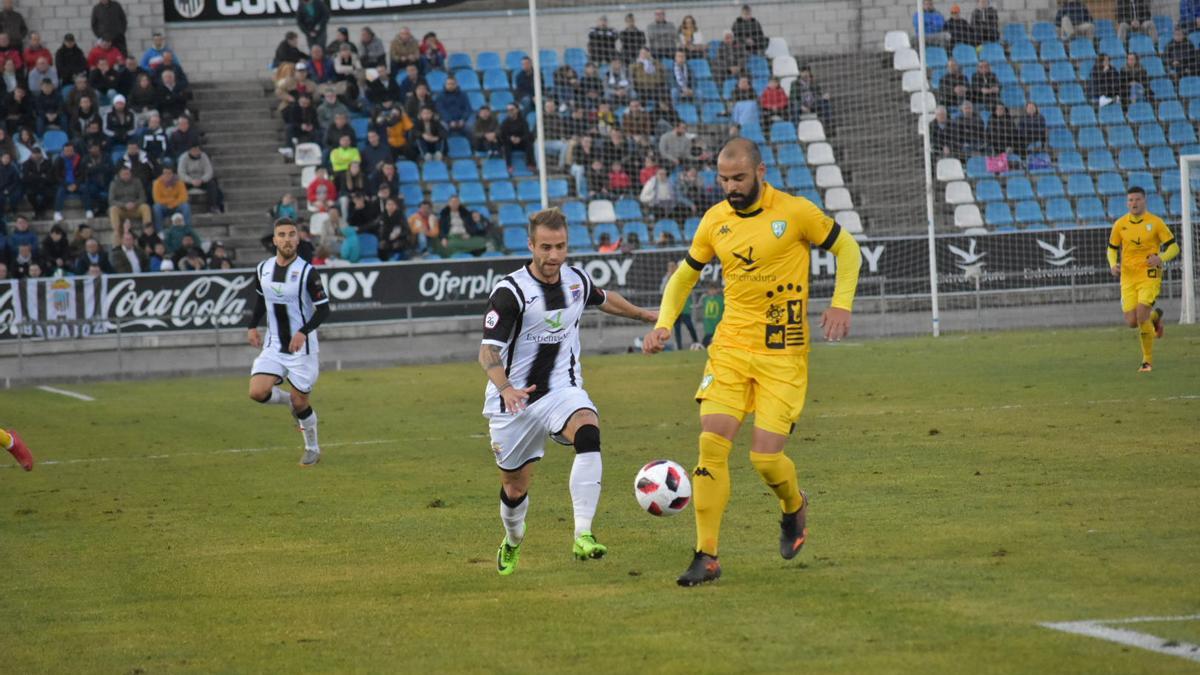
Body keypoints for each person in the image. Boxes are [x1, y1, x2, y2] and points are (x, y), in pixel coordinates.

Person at [642, 137, 862, 586]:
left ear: (760, 172)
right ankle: (707, 556)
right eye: (723, 179)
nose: (730, 187)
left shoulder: (796, 212)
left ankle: (793, 506)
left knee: (765, 460)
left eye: (738, 178)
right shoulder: (714, 220)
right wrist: (664, 322)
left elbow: (848, 250)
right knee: (711, 445)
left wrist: (842, 304)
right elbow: (685, 274)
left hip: (783, 351)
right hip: (730, 349)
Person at [479, 207, 657, 576]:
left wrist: (646, 316)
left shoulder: (575, 280)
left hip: (562, 390)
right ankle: (512, 541)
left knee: (588, 431)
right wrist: (507, 388)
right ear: (530, 245)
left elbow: (605, 299)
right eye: (545, 247)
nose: (553, 255)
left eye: (560, 246)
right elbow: (488, 350)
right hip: (514, 401)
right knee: (514, 488)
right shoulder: (510, 292)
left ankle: (583, 534)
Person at [247, 217, 331, 467]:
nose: (287, 239)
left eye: (291, 234)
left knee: (301, 401)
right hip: (274, 344)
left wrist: (303, 331)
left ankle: (312, 448)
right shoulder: (263, 268)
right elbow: (261, 300)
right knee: (257, 392)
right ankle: (288, 402)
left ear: (298, 238)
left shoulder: (307, 272)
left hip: (301, 349)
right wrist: (252, 325)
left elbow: (324, 309)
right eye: (281, 235)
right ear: (274, 240)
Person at [1108, 186, 1179, 373]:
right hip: (1128, 277)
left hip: (1150, 274)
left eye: (1137, 199)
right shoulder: (1120, 224)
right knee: (1132, 322)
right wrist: (1112, 263)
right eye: (1130, 200)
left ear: (1144, 201)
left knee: (1141, 316)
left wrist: (1160, 258)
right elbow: (1112, 248)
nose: (1134, 203)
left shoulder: (1156, 223)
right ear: (1127, 202)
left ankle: (1146, 361)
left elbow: (1174, 248)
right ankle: (1155, 318)